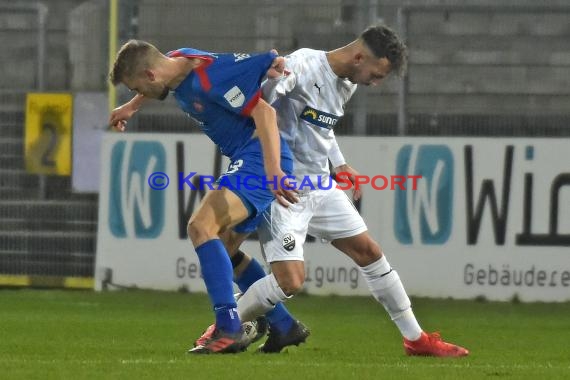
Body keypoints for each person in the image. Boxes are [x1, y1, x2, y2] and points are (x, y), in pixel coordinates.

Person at [196, 25, 469, 357]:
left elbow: (321, 126)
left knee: (369, 252)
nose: (376, 82)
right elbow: (261, 104)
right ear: (358, 57)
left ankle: (416, 339)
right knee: (290, 281)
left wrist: (339, 164)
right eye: (376, 73)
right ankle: (226, 326)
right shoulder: (302, 65)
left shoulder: (347, 83)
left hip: (320, 185)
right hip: (286, 188)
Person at [108, 40, 302, 354]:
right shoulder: (177, 61)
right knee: (224, 247)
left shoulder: (212, 81)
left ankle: (228, 325)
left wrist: (274, 170)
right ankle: (283, 324)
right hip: (245, 157)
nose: (137, 91)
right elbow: (160, 78)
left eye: (135, 86)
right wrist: (131, 106)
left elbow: (265, 114)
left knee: (200, 226)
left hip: (257, 159)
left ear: (150, 74)